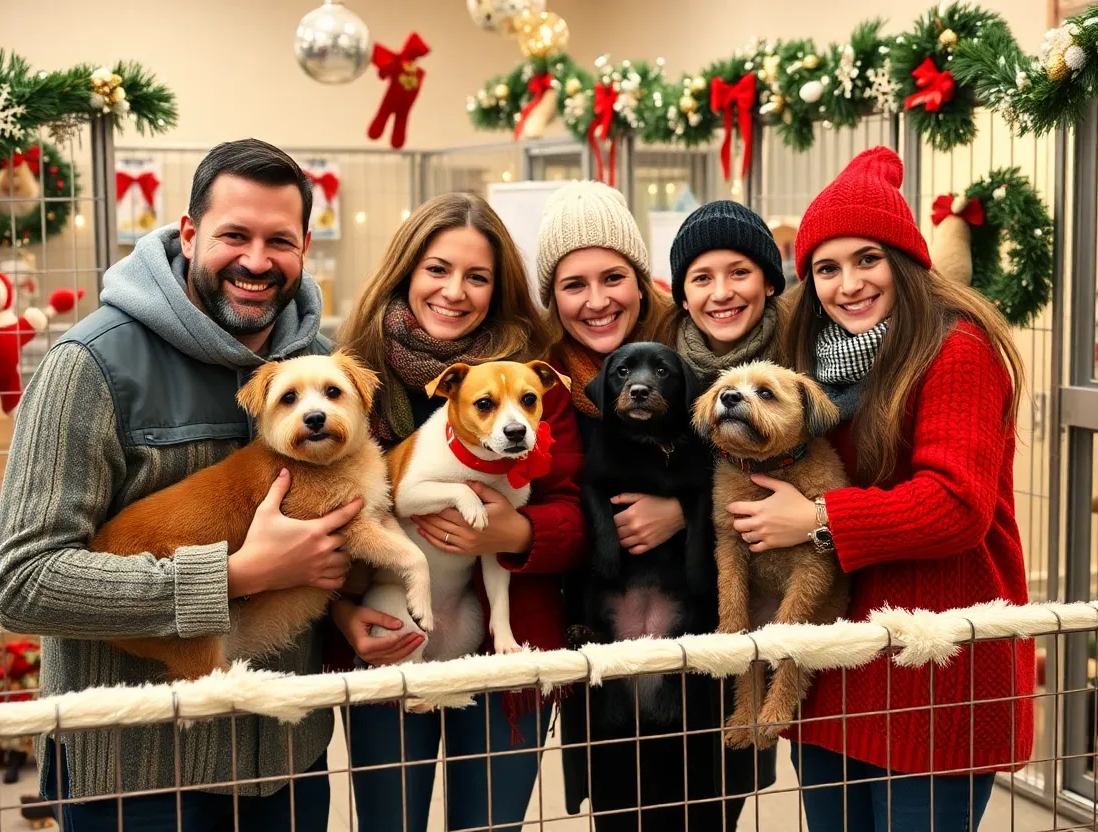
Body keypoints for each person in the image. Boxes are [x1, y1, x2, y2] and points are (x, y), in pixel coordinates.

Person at [0, 138, 354, 831]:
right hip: (140, 774)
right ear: (188, 235)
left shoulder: (316, 371)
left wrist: (342, 607)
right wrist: (231, 576)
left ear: (305, 246)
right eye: (234, 235)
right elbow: (23, 583)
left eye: (279, 240)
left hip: (287, 758)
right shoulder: (91, 366)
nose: (256, 260)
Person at [728, 146, 1034, 831]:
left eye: (868, 259)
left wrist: (817, 519)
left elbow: (956, 506)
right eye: (827, 268)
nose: (848, 284)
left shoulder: (956, 349)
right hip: (835, 662)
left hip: (931, 666)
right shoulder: (811, 362)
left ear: (905, 261)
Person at [328, 192, 585, 832]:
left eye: (478, 276)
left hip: (508, 652)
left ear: (499, 289)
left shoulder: (532, 382)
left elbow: (581, 519)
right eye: (438, 269)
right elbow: (320, 516)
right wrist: (340, 609)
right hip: (386, 635)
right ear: (406, 271)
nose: (455, 291)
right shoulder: (349, 379)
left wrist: (517, 529)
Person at [538, 180, 776, 830]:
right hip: (603, 652)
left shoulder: (701, 350)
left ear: (641, 282)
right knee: (618, 807)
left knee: (708, 806)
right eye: (573, 284)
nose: (596, 299)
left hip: (706, 644)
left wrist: (682, 508)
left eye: (613, 276)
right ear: (550, 298)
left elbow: (769, 467)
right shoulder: (539, 384)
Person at [657, 199, 787, 384]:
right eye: (702, 278)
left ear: (769, 283)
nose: (721, 294)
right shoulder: (652, 371)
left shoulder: (806, 356)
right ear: (683, 297)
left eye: (739, 273)